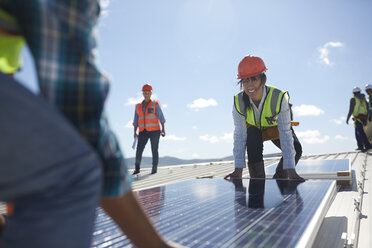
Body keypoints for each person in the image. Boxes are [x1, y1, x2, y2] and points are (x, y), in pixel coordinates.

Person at [0, 1, 184, 248]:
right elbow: (82, 115)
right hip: (141, 132)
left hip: (152, 132)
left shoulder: (155, 104)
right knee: (75, 172)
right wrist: (153, 244)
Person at [224, 55, 304, 181]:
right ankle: (257, 182)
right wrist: (238, 170)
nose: (250, 85)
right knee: (252, 138)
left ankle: (280, 179)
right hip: (254, 130)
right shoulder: (238, 102)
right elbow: (240, 135)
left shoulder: (278, 98)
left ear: (263, 80)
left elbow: (285, 133)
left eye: (254, 79)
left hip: (275, 128)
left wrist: (291, 171)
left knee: (296, 149)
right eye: (245, 81)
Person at [132, 84, 166, 175]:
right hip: (143, 131)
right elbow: (136, 120)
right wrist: (135, 132)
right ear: (142, 93)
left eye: (148, 92)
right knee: (139, 149)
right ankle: (137, 169)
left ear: (151, 93)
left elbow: (161, 117)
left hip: (155, 131)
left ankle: (154, 169)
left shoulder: (155, 104)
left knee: (154, 149)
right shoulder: (138, 106)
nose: (146, 94)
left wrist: (163, 129)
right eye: (144, 93)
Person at [346, 86, 372, 152]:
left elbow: (351, 109)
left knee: (360, 132)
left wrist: (347, 118)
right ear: (360, 91)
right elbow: (367, 109)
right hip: (364, 117)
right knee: (358, 132)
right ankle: (360, 146)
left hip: (358, 118)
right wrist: (366, 118)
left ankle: (367, 145)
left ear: (353, 92)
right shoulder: (364, 99)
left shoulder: (353, 98)